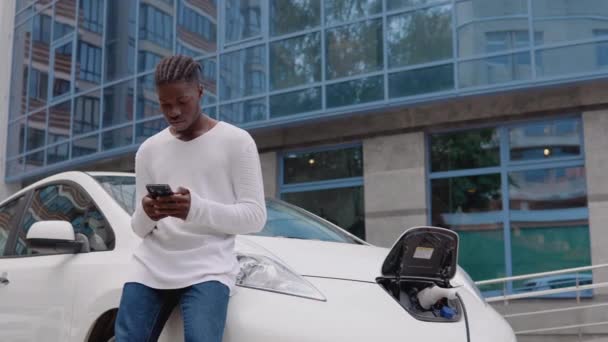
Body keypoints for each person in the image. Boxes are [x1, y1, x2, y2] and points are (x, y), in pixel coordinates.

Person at [114, 55, 267, 342]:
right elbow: (137, 229)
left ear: (200, 91)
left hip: (208, 267)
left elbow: (254, 216)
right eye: (164, 104)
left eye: (182, 101)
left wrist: (194, 209)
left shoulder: (237, 141)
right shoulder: (149, 150)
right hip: (150, 266)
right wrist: (148, 212)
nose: (173, 111)